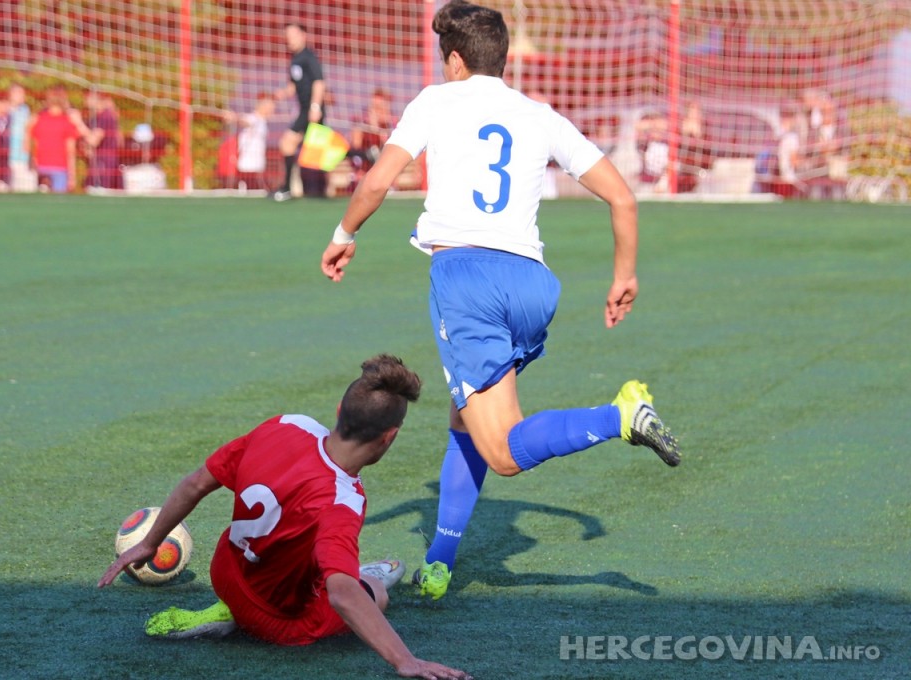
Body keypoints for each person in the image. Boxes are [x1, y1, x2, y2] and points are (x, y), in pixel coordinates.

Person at [320, 0, 681, 601]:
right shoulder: (539, 115)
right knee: (466, 414)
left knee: (504, 451)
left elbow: (379, 179)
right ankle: (439, 561)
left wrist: (343, 234)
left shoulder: (436, 100)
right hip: (532, 284)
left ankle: (618, 416)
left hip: (468, 282)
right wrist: (624, 276)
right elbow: (622, 198)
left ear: (455, 61)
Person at [98, 355, 472, 680]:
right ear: (389, 437)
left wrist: (149, 543)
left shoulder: (288, 425)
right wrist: (405, 660)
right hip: (276, 619)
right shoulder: (344, 501)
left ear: (340, 412)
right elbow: (342, 596)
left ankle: (237, 605)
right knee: (371, 595)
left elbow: (197, 483)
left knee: (307, 548)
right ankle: (362, 577)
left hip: (225, 571)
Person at [272, 22, 325, 202]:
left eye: (294, 35)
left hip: (311, 109)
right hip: (305, 109)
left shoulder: (309, 57)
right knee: (319, 146)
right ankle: (366, 155)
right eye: (287, 36)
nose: (290, 39)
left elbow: (319, 82)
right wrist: (281, 94)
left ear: (303, 35)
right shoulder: (294, 59)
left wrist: (315, 107)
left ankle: (286, 188)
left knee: (287, 143)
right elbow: (294, 86)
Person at [28, 85, 82, 193]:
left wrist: (33, 162)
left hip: (41, 167)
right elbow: (70, 150)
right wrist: (72, 176)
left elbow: (34, 144)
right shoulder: (67, 121)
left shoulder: (39, 119)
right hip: (60, 168)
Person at [221, 93, 275, 191]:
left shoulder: (262, 121)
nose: (272, 110)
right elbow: (244, 121)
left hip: (257, 167)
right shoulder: (254, 118)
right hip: (248, 167)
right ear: (263, 106)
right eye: (271, 107)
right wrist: (234, 118)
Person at [82, 91, 123, 190]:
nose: (85, 101)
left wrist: (78, 124)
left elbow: (93, 140)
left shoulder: (105, 116)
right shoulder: (95, 117)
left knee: (99, 192)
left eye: (87, 98)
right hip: (98, 162)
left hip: (104, 163)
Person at [6, 84, 35, 192]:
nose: (22, 96)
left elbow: (28, 131)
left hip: (23, 155)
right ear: (10, 94)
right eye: (18, 93)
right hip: (7, 154)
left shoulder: (25, 110)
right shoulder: (5, 110)